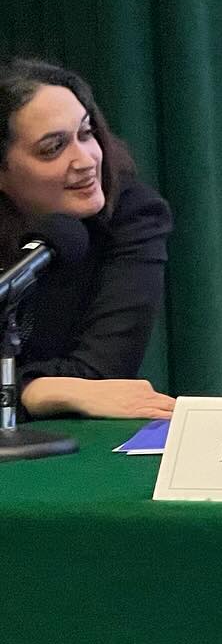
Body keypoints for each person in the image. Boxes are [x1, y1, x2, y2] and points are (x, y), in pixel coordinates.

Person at [0, 58, 173, 421]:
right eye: (53, 148)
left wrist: (27, 388)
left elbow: (101, 372)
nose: (85, 160)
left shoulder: (133, 215)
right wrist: (40, 388)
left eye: (86, 133)